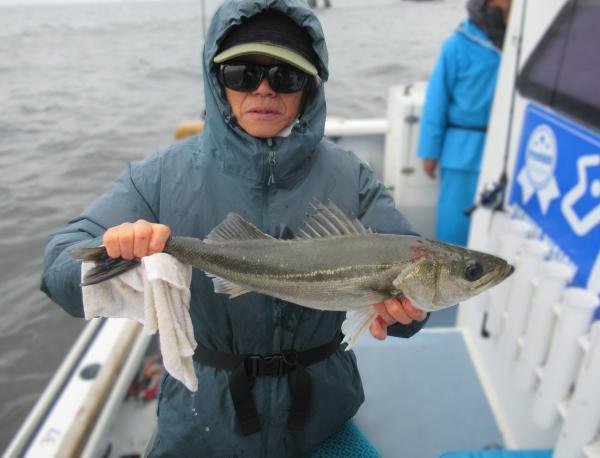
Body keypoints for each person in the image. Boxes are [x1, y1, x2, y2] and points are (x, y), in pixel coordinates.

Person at [41, 1, 428, 456]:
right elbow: (59, 271)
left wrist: (408, 314)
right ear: (216, 80)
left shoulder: (353, 178)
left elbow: (412, 291)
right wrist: (119, 248)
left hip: (320, 415)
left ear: (310, 87)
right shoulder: (160, 177)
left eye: (286, 76)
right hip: (201, 414)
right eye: (242, 74)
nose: (263, 90)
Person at [417, 0, 511, 246]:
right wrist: (430, 151)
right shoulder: (456, 45)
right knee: (455, 228)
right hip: (462, 152)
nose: (510, 5)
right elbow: (436, 101)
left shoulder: (518, 44)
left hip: (506, 153)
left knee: (497, 228)